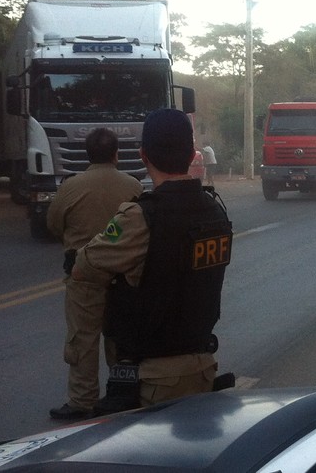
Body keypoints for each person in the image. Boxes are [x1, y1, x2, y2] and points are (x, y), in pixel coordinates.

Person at [72, 109, 233, 411]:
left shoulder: (140, 217)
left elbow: (84, 267)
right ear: (192, 155)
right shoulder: (215, 211)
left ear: (144, 155)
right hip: (202, 369)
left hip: (154, 381)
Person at [46, 127, 144, 421]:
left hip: (83, 275)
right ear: (116, 154)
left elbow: (53, 225)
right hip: (123, 277)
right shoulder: (133, 185)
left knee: (83, 339)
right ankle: (120, 394)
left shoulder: (71, 186)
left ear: (88, 154)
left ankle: (82, 401)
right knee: (119, 337)